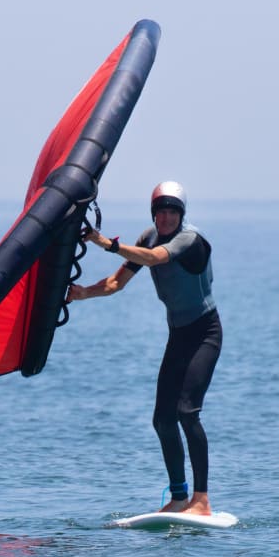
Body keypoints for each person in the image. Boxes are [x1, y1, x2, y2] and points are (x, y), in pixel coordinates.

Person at [66, 181, 222, 515]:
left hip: (205, 334)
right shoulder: (148, 237)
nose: (165, 218)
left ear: (181, 214)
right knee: (162, 419)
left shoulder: (189, 239)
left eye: (172, 212)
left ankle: (202, 500)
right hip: (178, 335)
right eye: (160, 212)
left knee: (187, 412)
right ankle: (179, 498)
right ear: (153, 214)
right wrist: (83, 294)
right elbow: (115, 283)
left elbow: (154, 259)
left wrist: (106, 243)